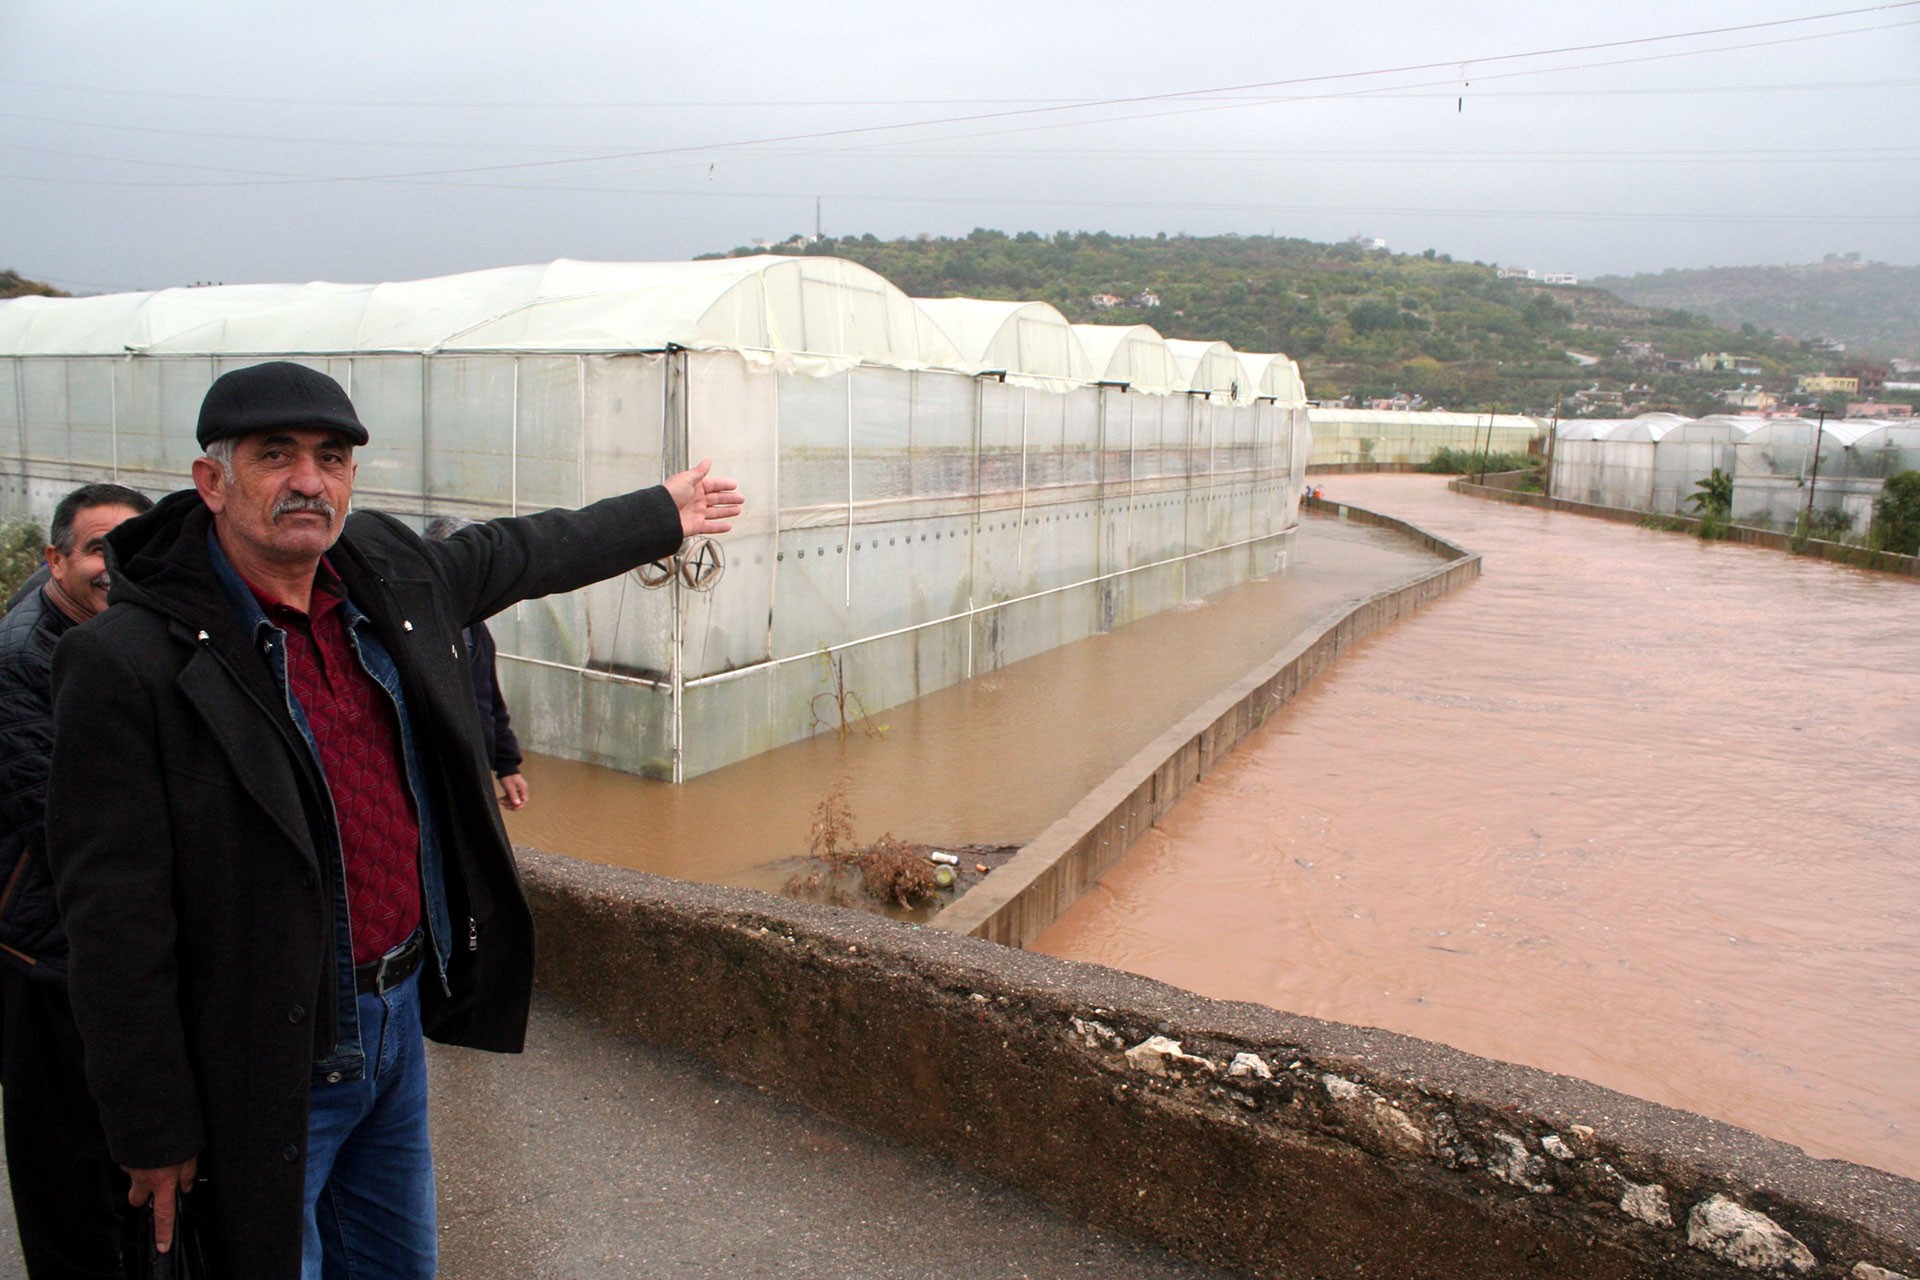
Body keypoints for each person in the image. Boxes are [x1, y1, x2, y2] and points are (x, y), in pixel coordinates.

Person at [45, 362, 742, 1278]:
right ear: (211, 481)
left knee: (395, 1262)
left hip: (394, 1021)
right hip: (262, 1052)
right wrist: (151, 1124)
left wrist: (660, 512)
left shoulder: (381, 577)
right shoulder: (129, 660)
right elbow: (111, 919)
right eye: (276, 456)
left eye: (332, 459)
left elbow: (519, 552)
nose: (309, 480)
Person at [0, 482, 153, 1277]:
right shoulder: (26, 657)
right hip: (46, 954)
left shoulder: (130, 630)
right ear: (55, 558)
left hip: (105, 942)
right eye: (96, 549)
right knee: (65, 1168)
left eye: (126, 548)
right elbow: (61, 821)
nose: (111, 566)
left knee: (136, 1159)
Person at [425, 517, 527, 811]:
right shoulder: (410, 631)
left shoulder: (474, 626)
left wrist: (507, 765)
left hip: (474, 769)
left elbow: (489, 697)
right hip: (435, 779)